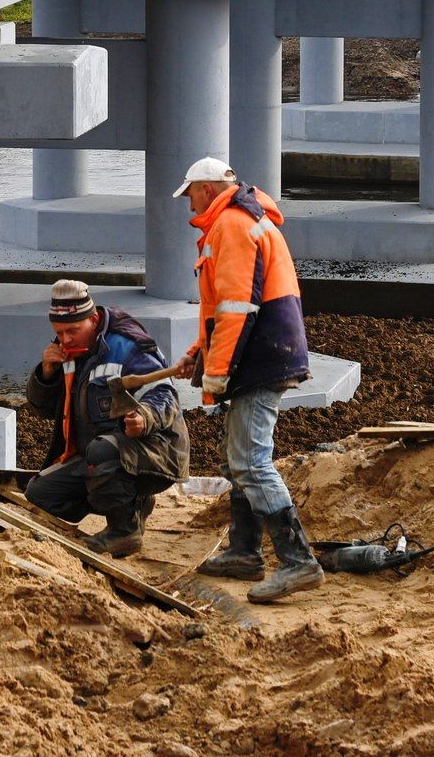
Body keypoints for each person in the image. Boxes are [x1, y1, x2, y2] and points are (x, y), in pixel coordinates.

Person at [172, 156, 323, 602]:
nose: (188, 204)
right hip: (260, 352)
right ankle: (243, 552)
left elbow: (238, 308)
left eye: (190, 194)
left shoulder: (232, 225)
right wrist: (200, 354)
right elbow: (226, 309)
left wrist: (216, 374)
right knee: (237, 458)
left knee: (252, 461)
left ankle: (298, 562)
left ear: (206, 189)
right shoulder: (234, 222)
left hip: (261, 357)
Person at [24, 279, 189, 557]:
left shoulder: (127, 345)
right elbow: (42, 411)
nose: (64, 340)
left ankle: (124, 532)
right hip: (101, 457)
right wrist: (46, 375)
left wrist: (145, 417)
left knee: (102, 452)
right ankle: (133, 503)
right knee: (40, 494)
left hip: (157, 452)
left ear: (94, 318)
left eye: (72, 331)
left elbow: (164, 394)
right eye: (59, 332)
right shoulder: (68, 352)